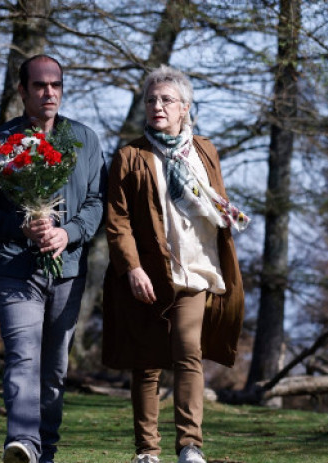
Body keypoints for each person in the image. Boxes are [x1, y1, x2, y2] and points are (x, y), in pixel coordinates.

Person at [102, 65, 249, 463]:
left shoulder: (205, 150)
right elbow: (117, 221)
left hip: (196, 271)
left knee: (188, 354)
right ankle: (147, 452)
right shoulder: (130, 156)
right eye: (151, 99)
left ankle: (189, 446)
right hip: (148, 276)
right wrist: (131, 268)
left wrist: (227, 215)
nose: (157, 106)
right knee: (147, 363)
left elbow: (215, 200)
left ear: (185, 107)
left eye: (166, 99)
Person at [0, 54, 107, 463]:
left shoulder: (85, 139)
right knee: (22, 355)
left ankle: (45, 449)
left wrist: (68, 233)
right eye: (40, 85)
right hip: (14, 266)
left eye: (56, 85)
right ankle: (23, 442)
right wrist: (19, 227)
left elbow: (98, 201)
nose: (49, 92)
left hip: (68, 270)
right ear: (22, 90)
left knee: (54, 369)